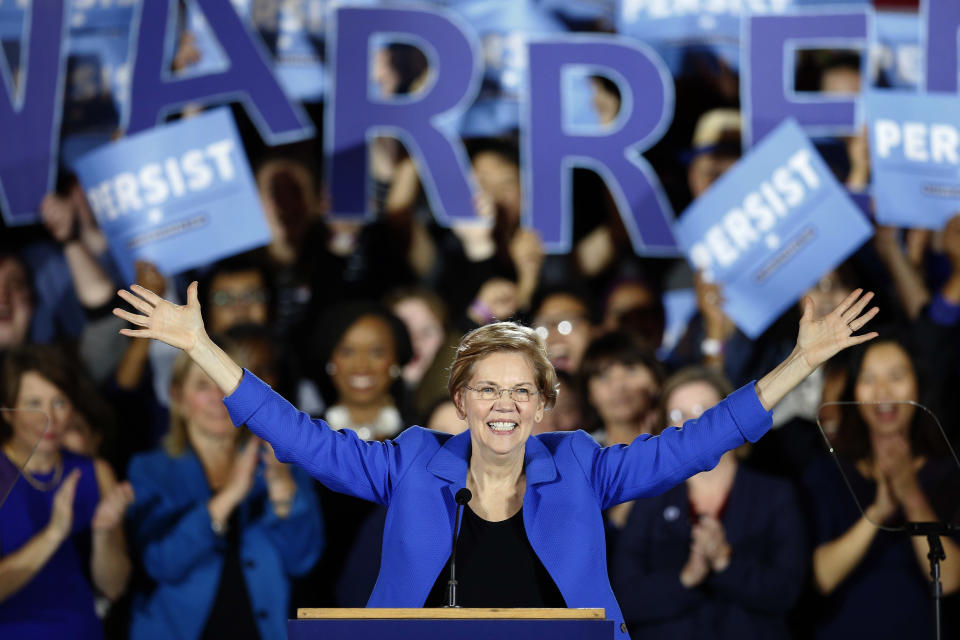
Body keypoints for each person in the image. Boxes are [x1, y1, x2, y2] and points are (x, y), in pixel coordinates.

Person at [113, 282, 878, 639]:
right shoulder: (411, 463)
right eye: (487, 388)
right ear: (462, 399)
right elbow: (299, 435)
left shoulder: (580, 462)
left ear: (543, 405)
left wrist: (801, 361)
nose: (504, 404)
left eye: (521, 391)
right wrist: (202, 349)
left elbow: (698, 441)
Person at [126, 347, 323, 640]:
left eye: (226, 382)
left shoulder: (281, 461)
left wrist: (282, 490)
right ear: (178, 397)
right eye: (203, 385)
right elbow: (161, 563)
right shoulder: (151, 470)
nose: (218, 396)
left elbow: (303, 559)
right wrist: (229, 496)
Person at [609, 367, 807, 639]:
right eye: (678, 415)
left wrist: (727, 563)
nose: (692, 425)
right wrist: (686, 579)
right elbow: (624, 598)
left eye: (704, 411)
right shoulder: (649, 499)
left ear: (731, 419)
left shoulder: (774, 494)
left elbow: (787, 593)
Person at [803, 337, 960, 639]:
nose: (883, 392)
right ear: (853, 391)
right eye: (869, 379)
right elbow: (821, 577)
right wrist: (878, 511)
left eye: (897, 377)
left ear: (919, 386)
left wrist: (911, 495)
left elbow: (950, 579)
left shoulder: (949, 471)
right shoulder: (827, 472)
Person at [0, 345, 132, 639]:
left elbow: (114, 586)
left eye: (59, 402)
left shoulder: (95, 472)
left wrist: (104, 533)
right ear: (8, 412)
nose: (49, 417)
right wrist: (53, 534)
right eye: (33, 403)